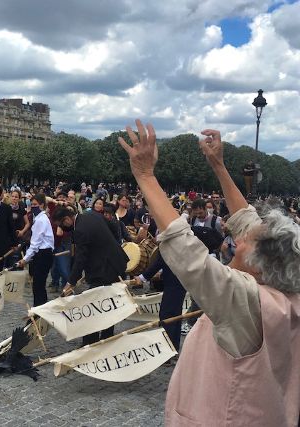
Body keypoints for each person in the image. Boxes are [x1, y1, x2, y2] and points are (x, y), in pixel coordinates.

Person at [118, 119, 300, 427]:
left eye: (245, 241)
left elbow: (188, 254)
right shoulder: (287, 294)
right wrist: (218, 165)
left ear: (259, 267)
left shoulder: (248, 303)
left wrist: (146, 176)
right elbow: (246, 220)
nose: (237, 240)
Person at [52, 206, 129, 345]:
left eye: (61, 226)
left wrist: (70, 282)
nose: (63, 229)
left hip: (104, 269)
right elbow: (112, 225)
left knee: (93, 304)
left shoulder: (80, 230)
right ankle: (106, 337)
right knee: (106, 302)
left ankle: (90, 342)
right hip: (114, 263)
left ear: (68, 219)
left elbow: (80, 259)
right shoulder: (90, 215)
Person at [18, 194, 54, 306]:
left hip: (43, 255)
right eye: (31, 204)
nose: (33, 207)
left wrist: (25, 259)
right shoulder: (39, 218)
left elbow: (35, 244)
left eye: (35, 205)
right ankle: (39, 309)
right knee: (39, 285)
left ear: (42, 205)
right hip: (43, 254)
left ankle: (39, 310)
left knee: (38, 286)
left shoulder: (41, 220)